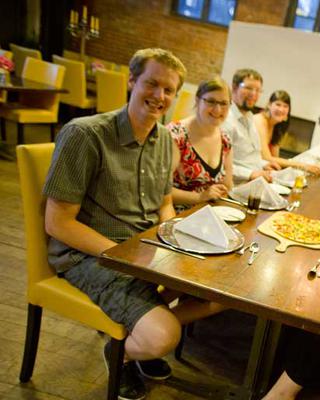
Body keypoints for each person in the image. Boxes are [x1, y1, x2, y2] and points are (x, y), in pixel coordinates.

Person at [43, 48, 226, 400]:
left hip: (142, 250)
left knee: (221, 293)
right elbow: (57, 223)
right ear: (131, 80)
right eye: (152, 84)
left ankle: (135, 333)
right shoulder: (86, 135)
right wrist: (124, 256)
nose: (160, 96)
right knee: (163, 337)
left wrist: (175, 242)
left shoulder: (163, 141)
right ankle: (122, 351)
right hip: (89, 256)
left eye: (169, 90)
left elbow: (165, 204)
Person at [168, 76, 233, 207]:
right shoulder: (176, 135)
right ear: (197, 101)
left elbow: (228, 185)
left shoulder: (225, 140)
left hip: (211, 213)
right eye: (211, 101)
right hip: (178, 214)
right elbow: (160, 191)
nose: (217, 110)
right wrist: (199, 197)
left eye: (223, 103)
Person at [221, 68, 280, 183]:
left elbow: (249, 158)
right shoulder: (225, 119)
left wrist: (265, 164)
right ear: (234, 87)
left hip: (254, 182)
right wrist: (251, 174)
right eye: (248, 88)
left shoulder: (250, 117)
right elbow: (218, 166)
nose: (253, 94)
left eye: (258, 90)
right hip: (235, 188)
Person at [253, 90, 320, 174]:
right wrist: (302, 166)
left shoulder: (277, 125)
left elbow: (275, 158)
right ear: (269, 105)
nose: (281, 109)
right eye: (278, 104)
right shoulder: (260, 120)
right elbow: (266, 158)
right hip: (250, 169)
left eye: (285, 106)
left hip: (262, 168)